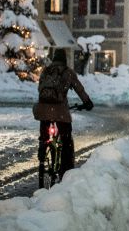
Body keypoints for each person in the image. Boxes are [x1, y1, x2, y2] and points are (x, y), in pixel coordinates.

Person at [34, 49, 93, 180]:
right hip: (60, 112)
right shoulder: (68, 72)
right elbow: (79, 89)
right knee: (66, 141)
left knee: (44, 134)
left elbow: (40, 89)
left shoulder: (46, 71)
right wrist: (87, 102)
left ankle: (43, 148)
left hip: (42, 109)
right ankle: (67, 173)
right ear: (65, 59)